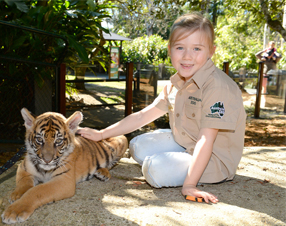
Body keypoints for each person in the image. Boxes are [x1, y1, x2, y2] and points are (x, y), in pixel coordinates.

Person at [77, 13, 246, 204]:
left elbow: (206, 139)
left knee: (154, 170)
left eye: (197, 48)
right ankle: (175, 160)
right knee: (137, 146)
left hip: (214, 159)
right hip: (186, 142)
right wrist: (101, 134)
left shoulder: (217, 87)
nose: (187, 56)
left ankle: (176, 167)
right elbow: (142, 116)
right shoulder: (176, 83)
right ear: (170, 50)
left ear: (211, 51)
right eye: (180, 47)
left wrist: (190, 185)